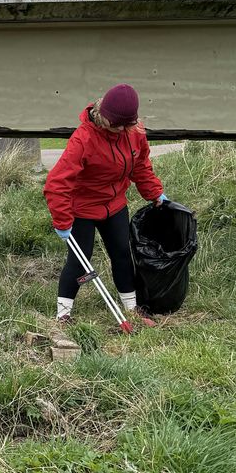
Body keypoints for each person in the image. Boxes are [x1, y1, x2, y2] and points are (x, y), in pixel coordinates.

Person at [44, 83, 170, 328]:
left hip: (114, 204)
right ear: (104, 117)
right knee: (81, 260)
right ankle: (63, 314)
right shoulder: (83, 139)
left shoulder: (134, 133)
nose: (121, 130)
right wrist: (62, 221)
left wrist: (155, 193)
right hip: (83, 208)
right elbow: (57, 183)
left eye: (127, 125)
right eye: (117, 125)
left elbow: (140, 165)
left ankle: (132, 309)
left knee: (122, 254)